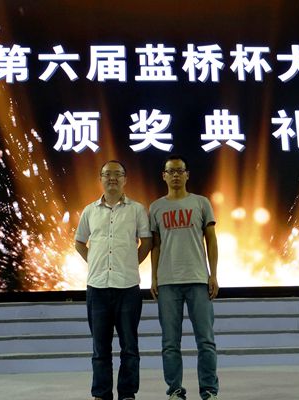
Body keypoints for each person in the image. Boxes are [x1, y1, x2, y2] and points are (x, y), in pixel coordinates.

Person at [75, 160, 152, 400]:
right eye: (107, 174)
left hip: (128, 287)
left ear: (125, 179)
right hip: (97, 288)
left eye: (117, 174)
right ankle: (101, 393)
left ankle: (127, 393)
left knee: (129, 346)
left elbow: (146, 242)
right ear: (100, 179)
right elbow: (79, 242)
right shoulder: (89, 211)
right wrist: (95, 262)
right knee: (100, 347)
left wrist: (130, 263)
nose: (112, 178)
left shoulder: (137, 210)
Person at [149, 154, 220, 400]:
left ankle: (209, 390)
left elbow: (211, 240)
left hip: (198, 279)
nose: (176, 175)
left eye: (180, 170)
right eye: (171, 171)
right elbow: (155, 245)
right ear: (164, 176)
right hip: (168, 282)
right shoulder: (156, 207)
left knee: (206, 341)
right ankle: (175, 390)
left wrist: (213, 275)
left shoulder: (201, 203)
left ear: (187, 174)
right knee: (170, 343)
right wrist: (154, 278)